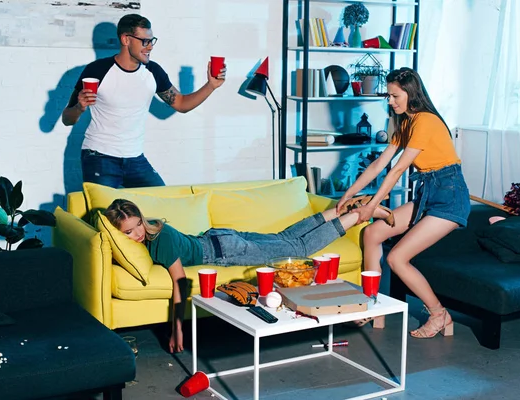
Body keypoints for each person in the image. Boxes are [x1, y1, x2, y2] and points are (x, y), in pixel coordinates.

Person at [104, 198, 391, 353]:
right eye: (128, 232)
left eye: (137, 226)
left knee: (298, 249)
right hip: (221, 237)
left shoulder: (159, 241)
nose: (137, 234)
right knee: (286, 238)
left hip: (226, 250)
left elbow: (180, 282)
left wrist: (177, 328)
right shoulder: (154, 228)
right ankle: (342, 210)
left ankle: (360, 214)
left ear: (141, 219)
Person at [336, 67, 470, 339]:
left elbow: (397, 170)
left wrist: (372, 206)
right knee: (373, 233)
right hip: (427, 193)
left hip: (448, 195)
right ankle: (372, 306)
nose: (390, 101)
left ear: (410, 94)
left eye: (395, 96)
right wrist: (348, 193)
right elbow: (380, 163)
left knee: (398, 258)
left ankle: (438, 314)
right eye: (388, 95)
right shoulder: (405, 122)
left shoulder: (425, 121)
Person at [61, 14, 226, 188]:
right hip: (99, 156)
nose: (149, 47)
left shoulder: (152, 71)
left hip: (135, 159)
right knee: (104, 213)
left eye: (151, 41)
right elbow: (67, 119)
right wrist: (79, 107)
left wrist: (211, 85)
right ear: (126, 39)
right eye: (144, 41)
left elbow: (181, 104)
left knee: (161, 203)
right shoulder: (97, 70)